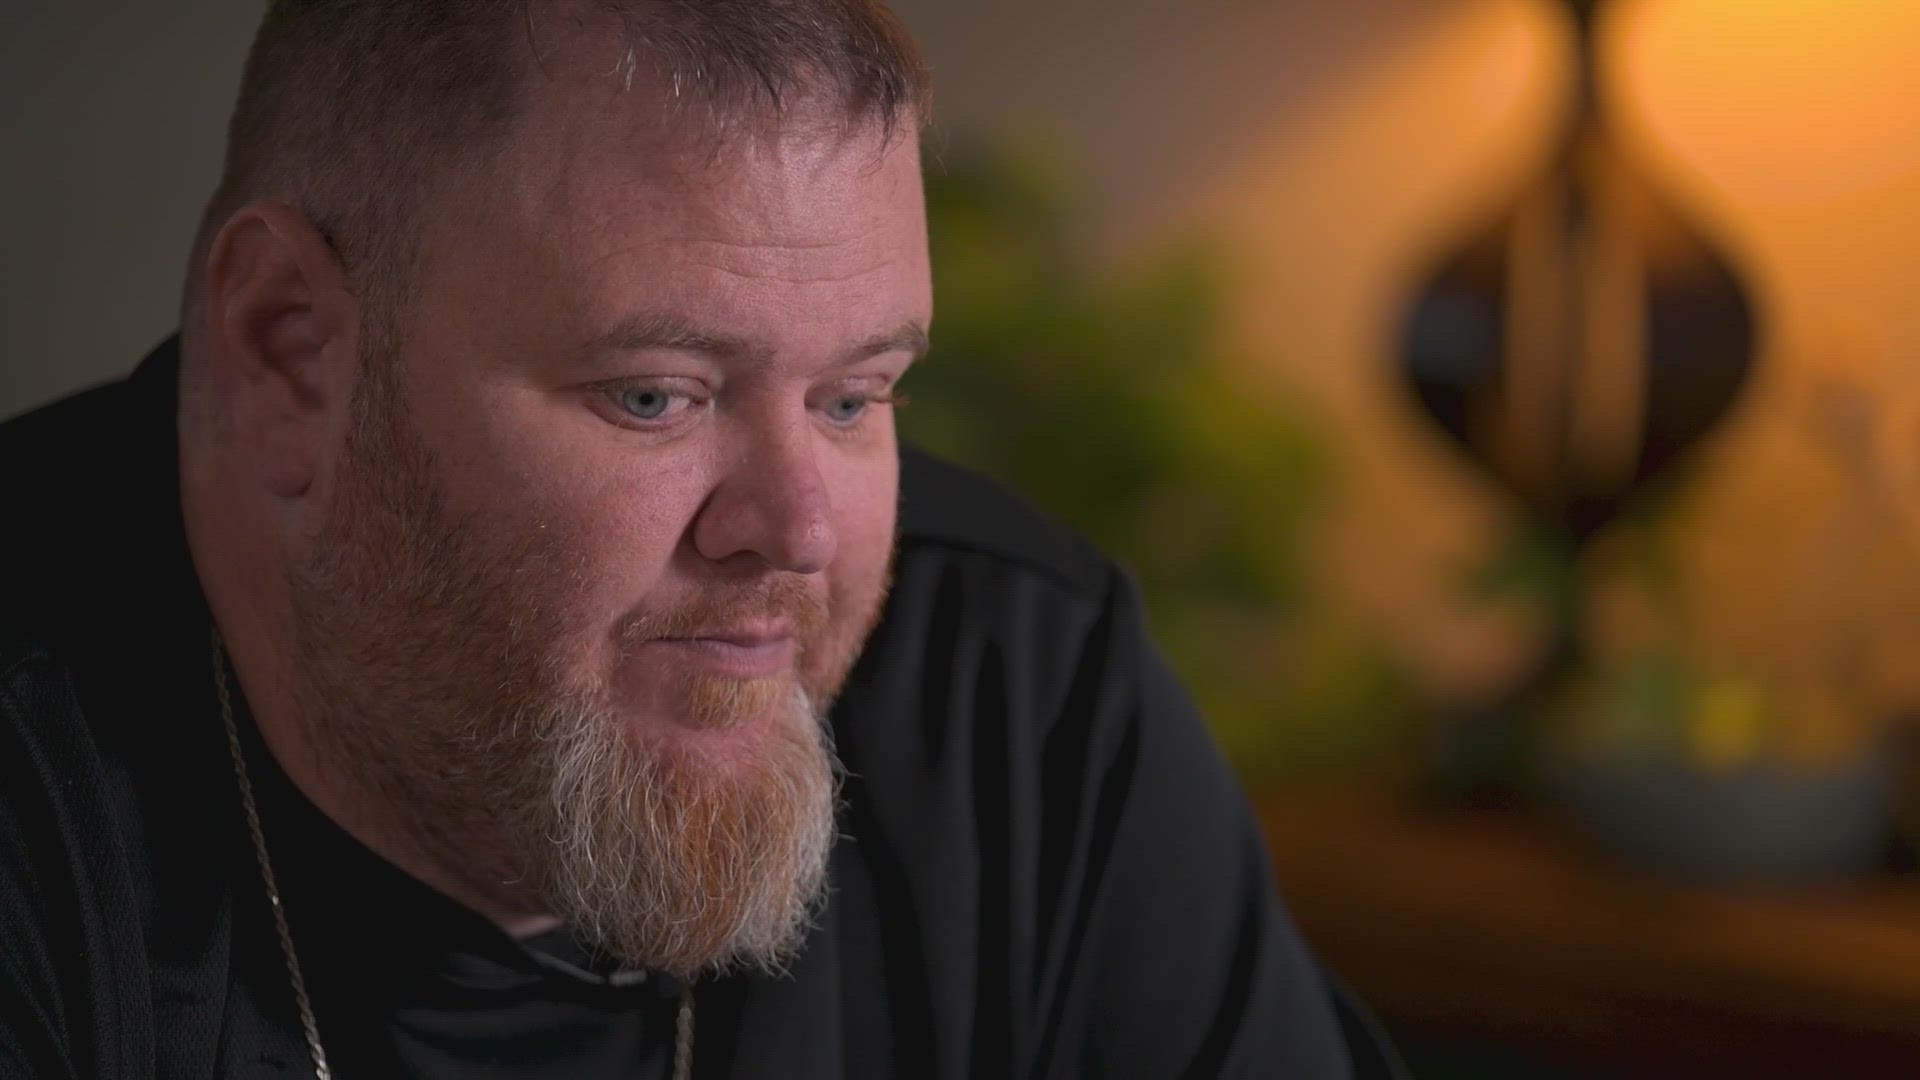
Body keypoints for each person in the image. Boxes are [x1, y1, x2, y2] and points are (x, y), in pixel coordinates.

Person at [0, 2, 1402, 1077]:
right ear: (290, 354)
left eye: (854, 397)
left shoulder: (1017, 700)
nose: (795, 532)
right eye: (656, 394)